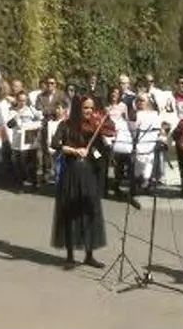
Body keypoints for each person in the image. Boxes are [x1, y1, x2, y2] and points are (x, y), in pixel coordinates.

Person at [50, 95, 114, 270]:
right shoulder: (66, 125)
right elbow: (55, 144)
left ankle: (89, 255)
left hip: (89, 174)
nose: (89, 111)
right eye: (86, 108)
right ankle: (70, 257)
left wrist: (98, 152)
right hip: (71, 173)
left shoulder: (94, 127)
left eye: (91, 108)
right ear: (78, 108)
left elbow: (98, 151)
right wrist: (74, 150)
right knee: (71, 212)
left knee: (89, 212)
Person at [6, 90, 41, 191]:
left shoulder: (31, 109)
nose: (23, 102)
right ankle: (20, 185)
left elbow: (39, 119)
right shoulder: (12, 111)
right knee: (20, 165)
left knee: (32, 164)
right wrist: (19, 113)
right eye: (21, 100)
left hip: (31, 141)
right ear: (17, 100)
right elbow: (9, 125)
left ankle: (34, 183)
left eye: (25, 100)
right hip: (18, 143)